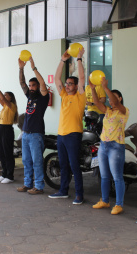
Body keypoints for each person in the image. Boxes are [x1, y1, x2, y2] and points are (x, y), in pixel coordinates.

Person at [48, 47, 86, 204]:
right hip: (61, 135)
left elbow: (83, 78)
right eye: (67, 83)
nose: (67, 85)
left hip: (73, 135)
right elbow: (57, 79)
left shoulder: (80, 97)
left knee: (74, 165)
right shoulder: (64, 95)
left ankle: (79, 195)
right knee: (63, 165)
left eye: (71, 84)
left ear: (76, 86)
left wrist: (78, 59)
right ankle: (63, 190)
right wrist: (63, 60)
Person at [90, 77, 129, 215]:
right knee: (104, 176)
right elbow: (95, 102)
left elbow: (117, 103)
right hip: (103, 146)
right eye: (110, 99)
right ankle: (105, 201)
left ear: (120, 99)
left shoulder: (123, 111)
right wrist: (93, 89)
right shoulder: (108, 111)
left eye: (114, 98)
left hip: (116, 147)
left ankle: (119, 204)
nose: (111, 101)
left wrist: (106, 88)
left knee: (117, 176)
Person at [16, 56, 49, 195]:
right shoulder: (29, 96)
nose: (30, 87)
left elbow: (42, 82)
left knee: (36, 161)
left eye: (33, 85)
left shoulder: (43, 98)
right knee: (26, 160)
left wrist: (33, 67)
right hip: (26, 133)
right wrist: (21, 68)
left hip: (36, 134)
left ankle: (39, 186)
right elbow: (21, 82)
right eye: (30, 86)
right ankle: (27, 184)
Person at [0, 80, 18, 184]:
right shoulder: (5, 106)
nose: (4, 97)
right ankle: (4, 173)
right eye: (4, 95)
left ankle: (10, 175)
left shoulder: (11, 106)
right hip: (1, 128)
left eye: (6, 95)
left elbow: (1, 97)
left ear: (10, 98)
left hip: (7, 130)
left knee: (7, 152)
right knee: (1, 152)